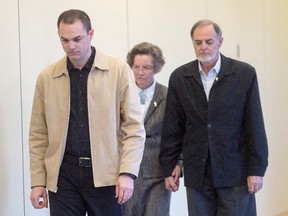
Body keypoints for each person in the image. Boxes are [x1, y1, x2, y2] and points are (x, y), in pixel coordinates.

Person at [29, 9, 145, 216]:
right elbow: (38, 134)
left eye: (77, 39)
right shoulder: (47, 77)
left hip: (107, 176)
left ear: (90, 34)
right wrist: (38, 181)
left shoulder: (118, 70)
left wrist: (127, 173)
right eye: (64, 40)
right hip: (63, 177)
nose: (71, 46)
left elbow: (134, 127)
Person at [159, 19, 268, 216]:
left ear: (220, 41)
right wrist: (169, 165)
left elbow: (255, 125)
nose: (204, 47)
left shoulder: (244, 74)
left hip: (235, 172)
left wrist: (257, 169)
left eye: (209, 42)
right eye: (198, 42)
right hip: (197, 175)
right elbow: (173, 127)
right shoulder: (179, 77)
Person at [124, 42, 182, 216]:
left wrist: (178, 164)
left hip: (158, 173)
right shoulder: (122, 94)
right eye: (136, 67)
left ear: (156, 68)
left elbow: (180, 134)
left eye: (147, 67)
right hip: (128, 173)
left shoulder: (168, 95)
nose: (140, 72)